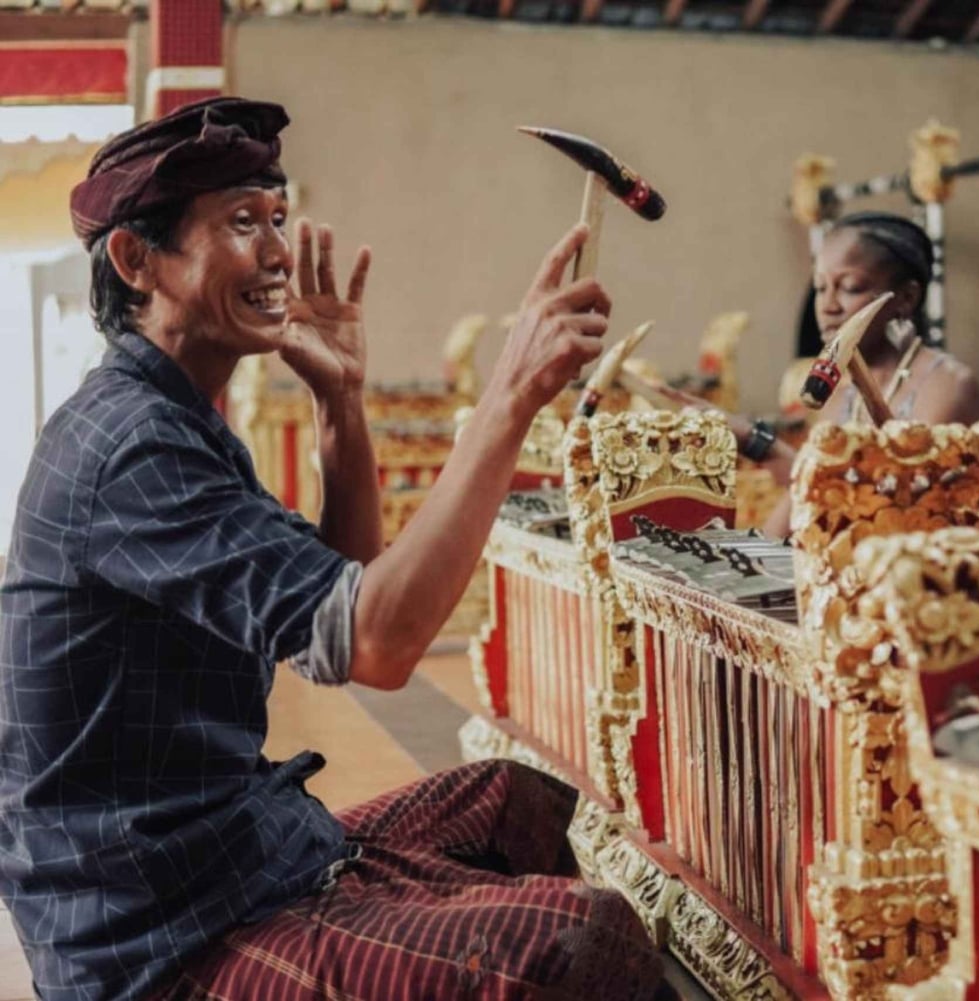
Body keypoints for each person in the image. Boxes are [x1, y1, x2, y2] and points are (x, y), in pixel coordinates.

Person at [0, 97, 669, 1001]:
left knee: (514, 802)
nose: (278, 251)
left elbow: (336, 624)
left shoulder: (173, 418)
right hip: (157, 935)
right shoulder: (128, 444)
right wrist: (508, 394)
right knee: (578, 938)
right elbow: (383, 643)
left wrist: (340, 406)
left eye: (278, 218)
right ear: (135, 259)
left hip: (237, 852)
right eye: (242, 222)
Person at [707, 211, 979, 536]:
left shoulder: (948, 387)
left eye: (849, 287)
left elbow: (900, 510)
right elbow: (802, 501)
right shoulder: (841, 391)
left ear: (906, 298)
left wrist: (763, 445)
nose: (827, 306)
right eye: (821, 288)